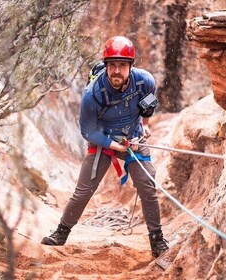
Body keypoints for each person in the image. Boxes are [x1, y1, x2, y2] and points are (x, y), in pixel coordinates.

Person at [41, 36, 169, 258]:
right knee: (83, 192)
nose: (116, 71)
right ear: (106, 66)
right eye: (111, 65)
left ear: (131, 66)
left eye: (121, 65)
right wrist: (116, 146)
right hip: (103, 141)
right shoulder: (92, 94)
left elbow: (148, 105)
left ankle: (157, 239)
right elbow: (88, 132)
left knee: (148, 186)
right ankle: (61, 232)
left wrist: (145, 126)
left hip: (134, 138)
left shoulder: (145, 81)